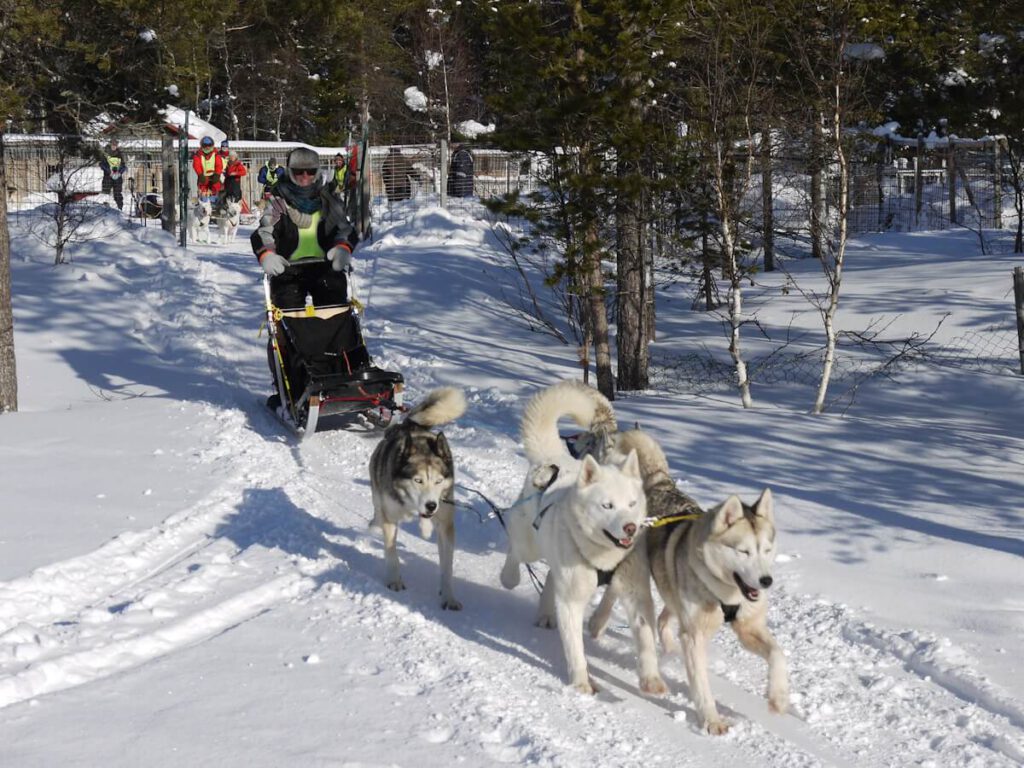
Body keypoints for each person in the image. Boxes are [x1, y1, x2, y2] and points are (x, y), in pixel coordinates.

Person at [251, 147, 359, 404]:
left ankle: (342, 377)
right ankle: (290, 385)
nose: (304, 177)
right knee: (288, 326)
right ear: (290, 171)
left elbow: (345, 229)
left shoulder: (327, 199)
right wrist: (267, 254)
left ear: (317, 172)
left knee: (338, 320)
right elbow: (263, 232)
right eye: (298, 171)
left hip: (325, 267)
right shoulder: (279, 201)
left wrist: (343, 247)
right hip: (288, 271)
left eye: (310, 171)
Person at [99, 139, 126, 210]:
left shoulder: (120, 154)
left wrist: (120, 172)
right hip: (108, 176)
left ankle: (120, 210)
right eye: (113, 144)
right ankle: (104, 210)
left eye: (115, 145)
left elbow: (124, 166)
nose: (114, 146)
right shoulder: (105, 153)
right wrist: (109, 171)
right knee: (105, 193)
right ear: (110, 144)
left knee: (117, 194)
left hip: (117, 177)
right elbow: (101, 164)